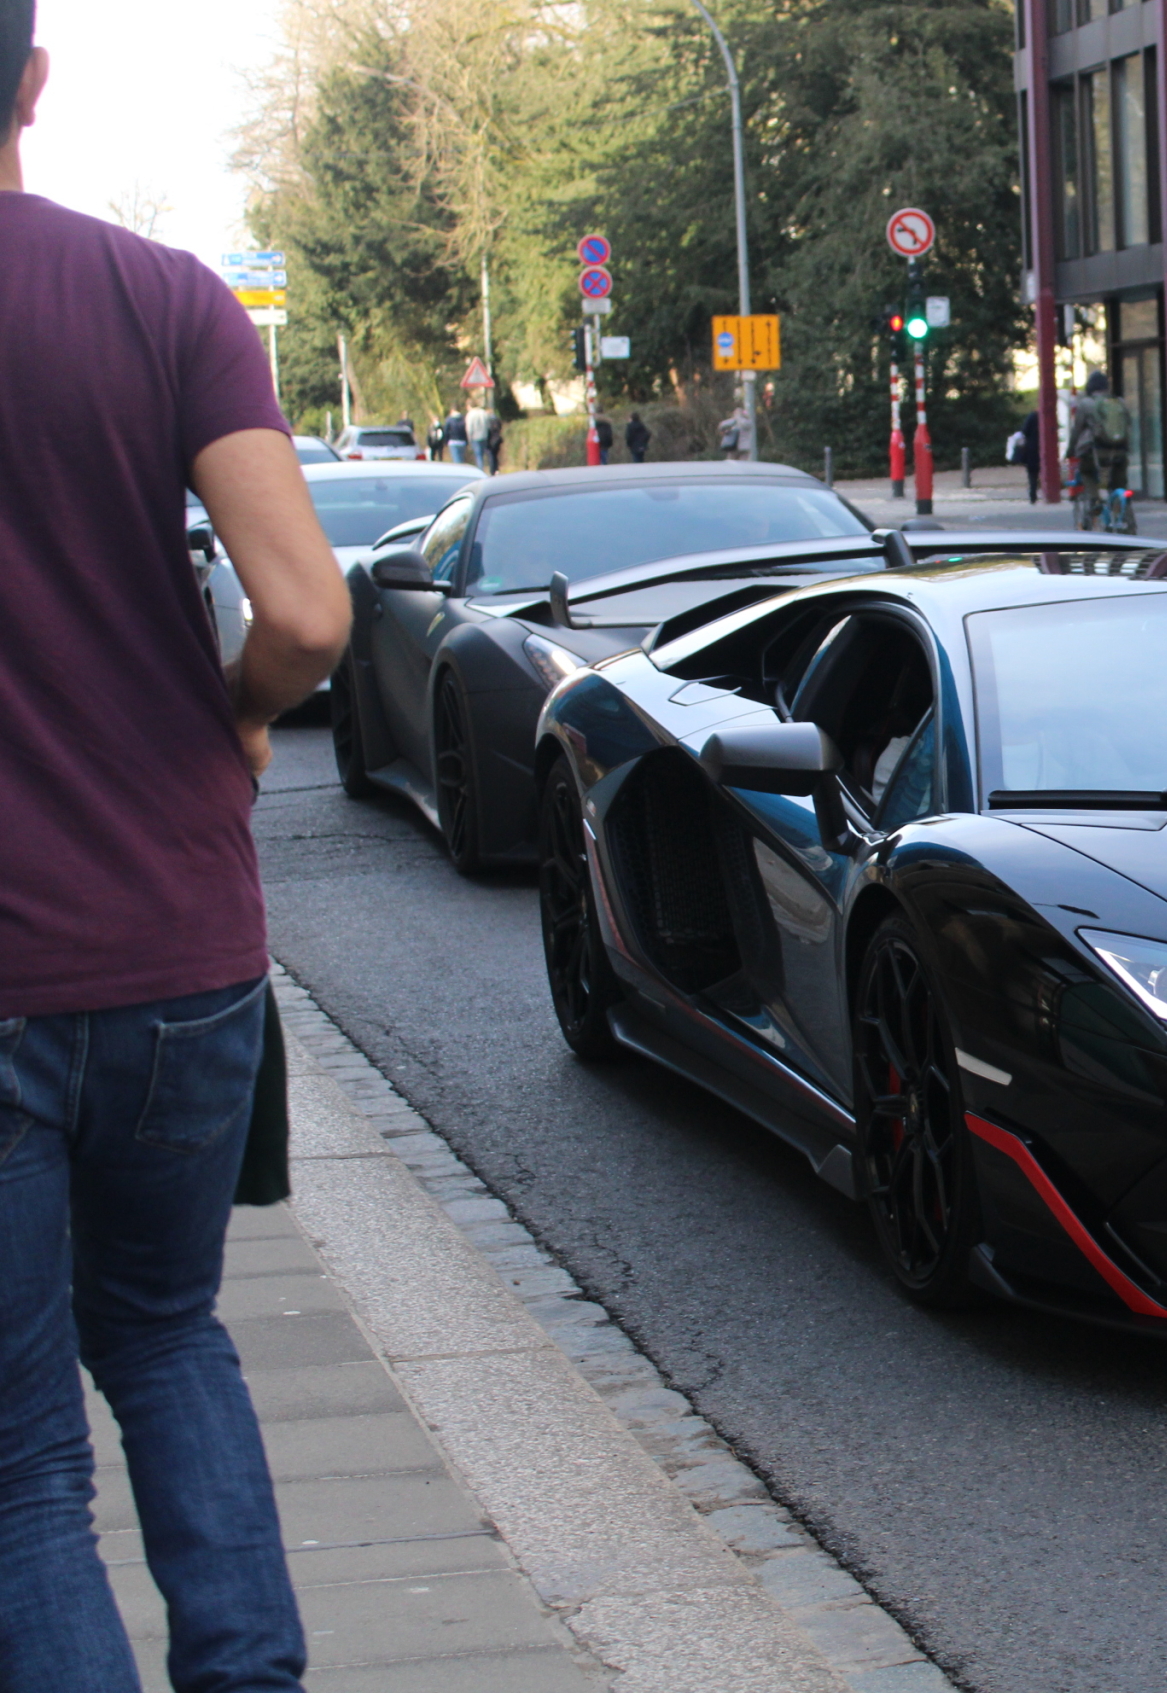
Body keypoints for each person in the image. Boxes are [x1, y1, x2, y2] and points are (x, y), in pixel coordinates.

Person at [0, 9, 352, 1690]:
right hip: (179, 950)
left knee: (17, 1465)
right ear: (34, 85)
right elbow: (305, 610)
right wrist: (234, 707)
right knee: (164, 1336)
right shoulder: (163, 299)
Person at [1065, 371, 1131, 514]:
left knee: (1086, 472)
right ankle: (1122, 504)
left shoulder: (1086, 404)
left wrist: (1070, 451)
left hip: (1095, 451)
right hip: (1119, 450)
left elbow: (1077, 430)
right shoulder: (1119, 402)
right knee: (1118, 477)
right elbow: (1128, 425)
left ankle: (1095, 500)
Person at [1013, 405, 1041, 504]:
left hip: (1032, 449)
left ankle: (1033, 495)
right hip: (1042, 447)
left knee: (1032, 474)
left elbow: (1024, 431)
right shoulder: (1045, 416)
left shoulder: (1032, 416)